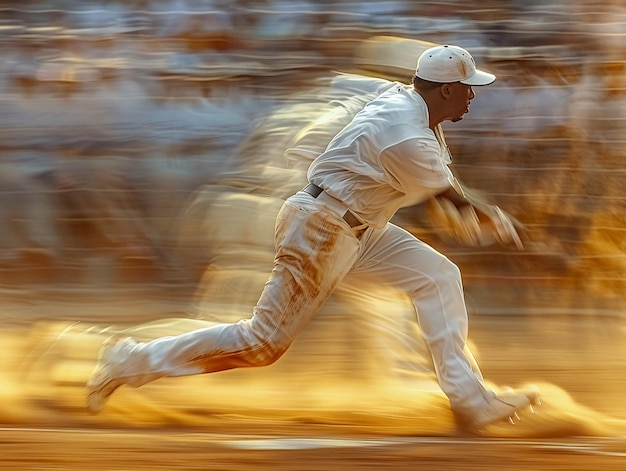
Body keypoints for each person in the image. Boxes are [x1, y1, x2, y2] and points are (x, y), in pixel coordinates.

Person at [86, 44, 539, 430]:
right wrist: (495, 219)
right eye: (468, 87)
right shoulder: (405, 133)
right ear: (445, 90)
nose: (474, 95)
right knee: (263, 344)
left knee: (437, 275)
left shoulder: (411, 106)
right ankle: (130, 360)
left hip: (360, 226)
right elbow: (450, 199)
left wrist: (478, 214)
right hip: (324, 229)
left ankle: (470, 402)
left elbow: (442, 193)